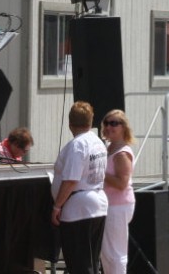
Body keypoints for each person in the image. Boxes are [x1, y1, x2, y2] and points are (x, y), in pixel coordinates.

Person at [51, 101, 108, 274]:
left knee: (79, 265)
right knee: (91, 261)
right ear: (90, 122)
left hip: (78, 208)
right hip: (97, 202)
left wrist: (57, 206)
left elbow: (71, 180)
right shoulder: (98, 142)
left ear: (70, 124)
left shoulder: (77, 145)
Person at [100, 109, 136, 274]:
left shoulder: (122, 153)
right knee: (106, 253)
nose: (108, 127)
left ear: (123, 127)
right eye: (106, 123)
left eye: (114, 123)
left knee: (116, 253)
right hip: (108, 205)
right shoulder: (108, 148)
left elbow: (122, 183)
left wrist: (100, 173)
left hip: (118, 206)